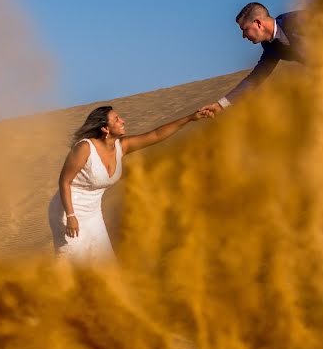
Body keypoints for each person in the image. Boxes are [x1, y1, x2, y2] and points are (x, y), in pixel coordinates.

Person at [48, 105, 212, 263]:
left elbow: (155, 135)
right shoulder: (85, 147)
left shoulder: (121, 146)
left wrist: (190, 118)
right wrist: (71, 216)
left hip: (93, 213)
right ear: (105, 128)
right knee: (73, 264)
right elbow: (65, 181)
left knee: (103, 262)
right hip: (67, 209)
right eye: (117, 119)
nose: (123, 121)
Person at [200, 2, 307, 115]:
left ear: (258, 23)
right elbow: (255, 78)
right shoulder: (270, 46)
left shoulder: (297, 20)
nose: (243, 35)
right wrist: (220, 105)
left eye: (245, 29)